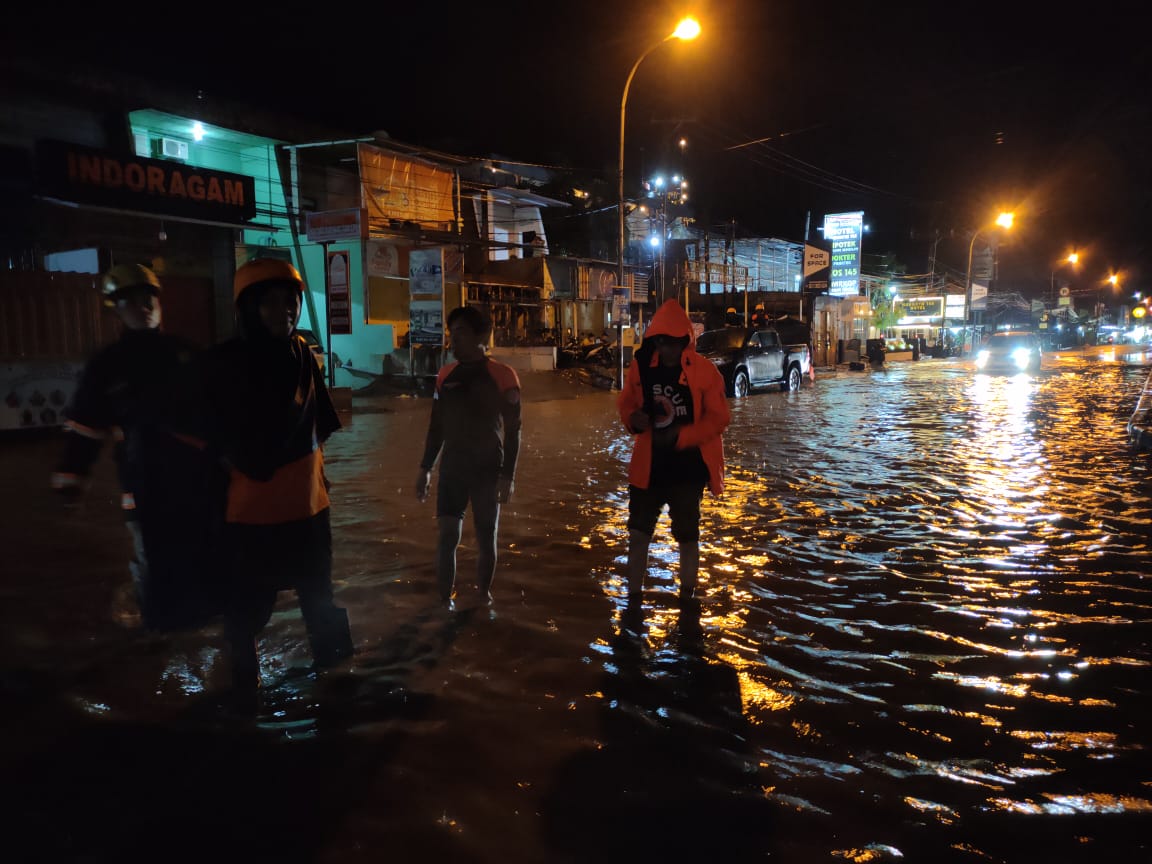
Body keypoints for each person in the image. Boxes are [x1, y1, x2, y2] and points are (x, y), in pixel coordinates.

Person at [193, 258, 353, 698]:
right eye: (270, 302)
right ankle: (244, 691)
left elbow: (319, 428)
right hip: (249, 518)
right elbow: (202, 435)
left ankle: (340, 689)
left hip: (307, 509)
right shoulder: (222, 364)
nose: (284, 310)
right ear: (248, 309)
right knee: (247, 612)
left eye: (290, 301)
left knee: (319, 601)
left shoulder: (304, 355)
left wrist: (320, 483)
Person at [50, 263, 224, 632]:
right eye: (131, 301)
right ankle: (157, 635)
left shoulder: (187, 354)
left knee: (205, 565)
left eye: (148, 300)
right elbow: (85, 428)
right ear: (117, 308)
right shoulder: (107, 366)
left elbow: (221, 416)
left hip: (198, 487)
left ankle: (203, 631)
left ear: (159, 305)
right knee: (155, 570)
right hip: (143, 491)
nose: (142, 307)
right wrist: (71, 481)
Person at [617, 298, 730, 610]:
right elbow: (626, 403)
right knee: (638, 534)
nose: (666, 350)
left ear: (685, 342)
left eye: (672, 344)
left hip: (688, 470)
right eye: (661, 343)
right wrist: (632, 418)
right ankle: (633, 600)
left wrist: (683, 436)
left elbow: (719, 418)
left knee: (687, 537)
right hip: (648, 470)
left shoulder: (705, 373)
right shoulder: (640, 367)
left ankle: (688, 601)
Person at [416, 305, 522, 607]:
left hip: (489, 467)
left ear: (481, 335)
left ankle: (482, 597)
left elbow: (514, 431)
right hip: (453, 467)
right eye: (452, 334)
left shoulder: (503, 376)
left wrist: (508, 475)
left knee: (486, 536)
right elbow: (436, 425)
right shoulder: (445, 375)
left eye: (460, 333)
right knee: (448, 535)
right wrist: (425, 468)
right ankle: (443, 604)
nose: (453, 341)